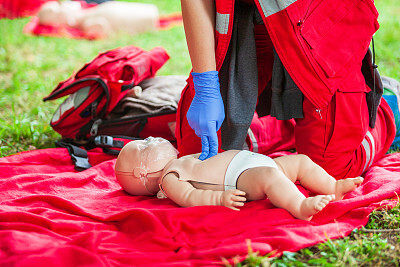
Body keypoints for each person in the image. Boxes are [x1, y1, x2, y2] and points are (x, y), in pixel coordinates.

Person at [177, 0, 396, 179]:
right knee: (199, 165)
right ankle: (280, 128)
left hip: (317, 21)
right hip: (245, 20)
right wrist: (205, 84)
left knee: (329, 171)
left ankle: (387, 113)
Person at [114, 137, 364, 220]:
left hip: (250, 162)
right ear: (141, 173)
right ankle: (299, 206)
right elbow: (190, 197)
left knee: (300, 161)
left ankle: (333, 185)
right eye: (144, 146)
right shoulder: (169, 178)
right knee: (270, 177)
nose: (151, 140)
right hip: (240, 178)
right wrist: (219, 198)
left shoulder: (179, 160)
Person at [37, 1, 159, 38]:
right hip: (115, 16)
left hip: (110, 9)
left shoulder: (82, 13)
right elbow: (101, 28)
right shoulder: (85, 22)